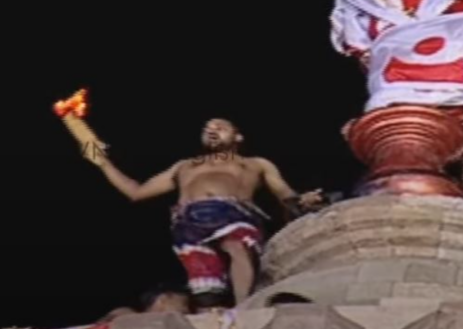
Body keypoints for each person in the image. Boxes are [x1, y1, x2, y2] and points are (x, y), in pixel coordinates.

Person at [89, 118, 323, 307]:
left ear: (238, 137)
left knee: (236, 247)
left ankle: (245, 308)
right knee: (205, 288)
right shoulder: (184, 166)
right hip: (188, 221)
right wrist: (102, 163)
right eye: (207, 128)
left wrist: (302, 200)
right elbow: (136, 192)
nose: (212, 130)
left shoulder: (254, 164)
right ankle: (215, 315)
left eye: (220, 127)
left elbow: (284, 193)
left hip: (232, 212)